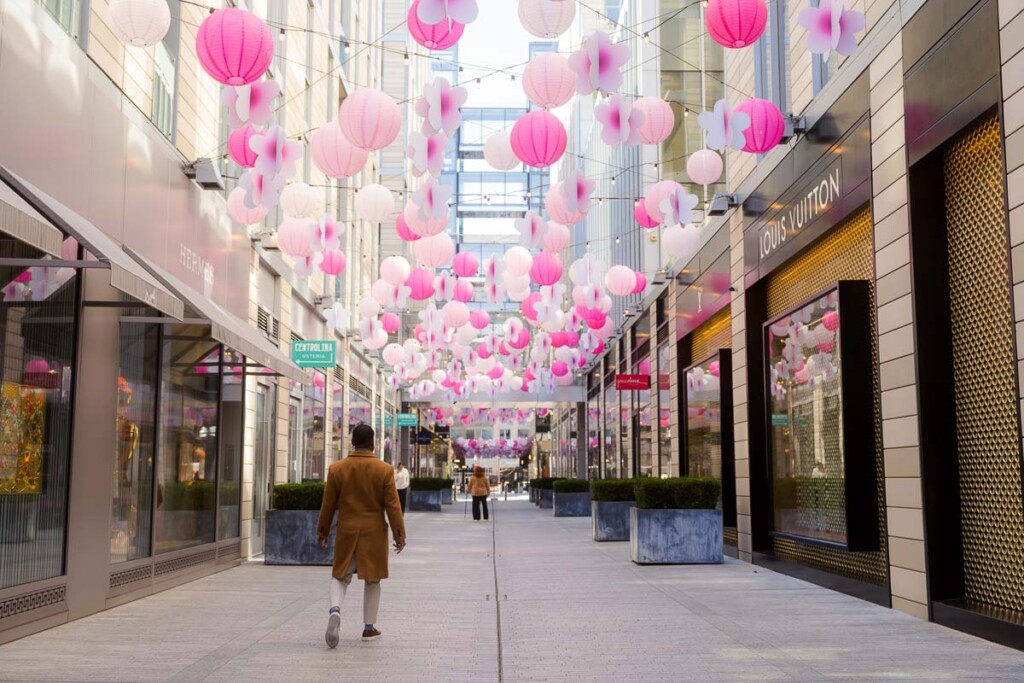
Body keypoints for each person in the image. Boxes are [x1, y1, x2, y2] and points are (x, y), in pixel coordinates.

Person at [317, 424, 406, 649]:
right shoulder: (384, 470)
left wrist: (323, 531)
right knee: (373, 580)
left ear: (353, 442)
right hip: (373, 532)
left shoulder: (337, 469)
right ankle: (369, 628)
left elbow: (327, 505)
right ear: (373, 443)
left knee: (340, 576)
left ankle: (335, 610)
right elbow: (393, 506)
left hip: (347, 531)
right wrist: (399, 534)